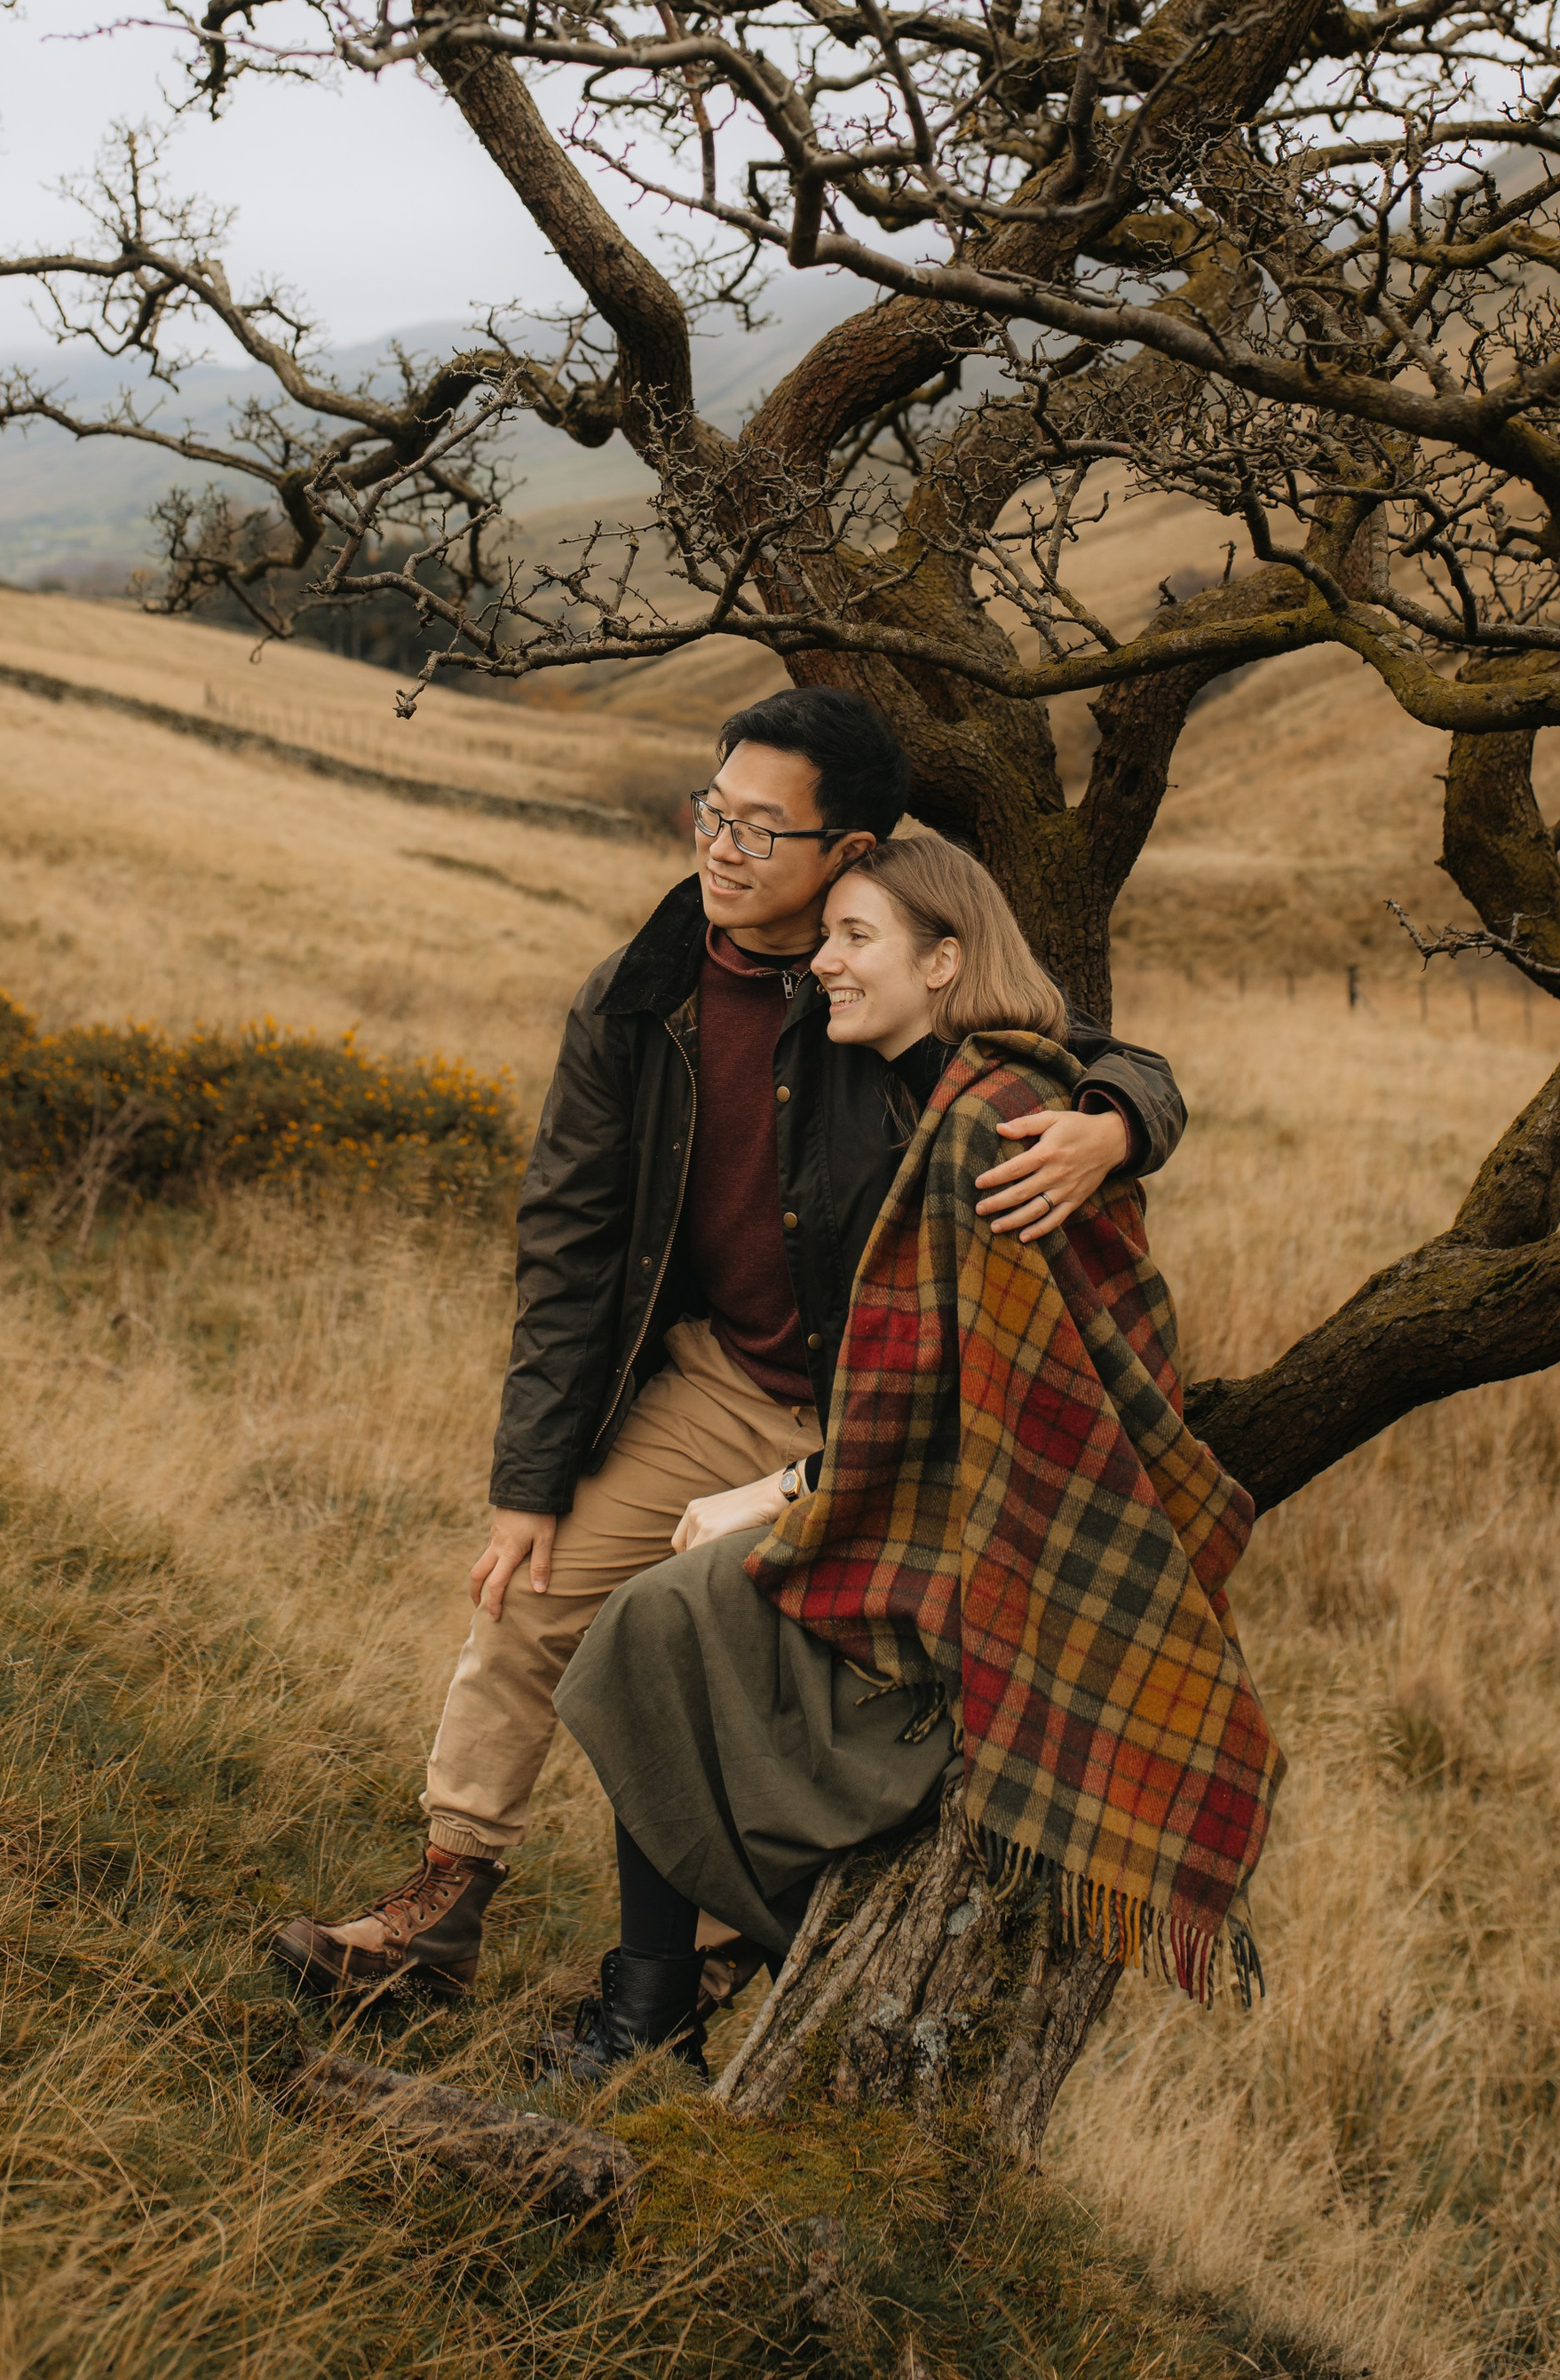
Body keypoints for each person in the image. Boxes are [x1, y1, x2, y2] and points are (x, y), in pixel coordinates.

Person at [272, 686, 1185, 2011]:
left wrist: (1117, 1124)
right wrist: (529, 1482)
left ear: (849, 850)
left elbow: (1094, 1059)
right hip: (727, 1384)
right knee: (528, 1595)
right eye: (714, 812)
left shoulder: (884, 972)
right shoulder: (640, 997)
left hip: (893, 1422)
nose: (722, 846)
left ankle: (690, 1973)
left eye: (762, 828)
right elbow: (571, 1246)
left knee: (719, 1653)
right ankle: (442, 1906)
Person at [538, 832, 1281, 2083]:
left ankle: (674, 2005)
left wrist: (776, 1493)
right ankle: (664, 2004)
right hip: (943, 1497)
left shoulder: (995, 1122)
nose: (825, 962)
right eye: (826, 936)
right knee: (663, 1625)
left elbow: (978, 1401)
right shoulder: (944, 1090)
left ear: (944, 961)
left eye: (855, 938)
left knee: (657, 1625)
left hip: (995, 1530)